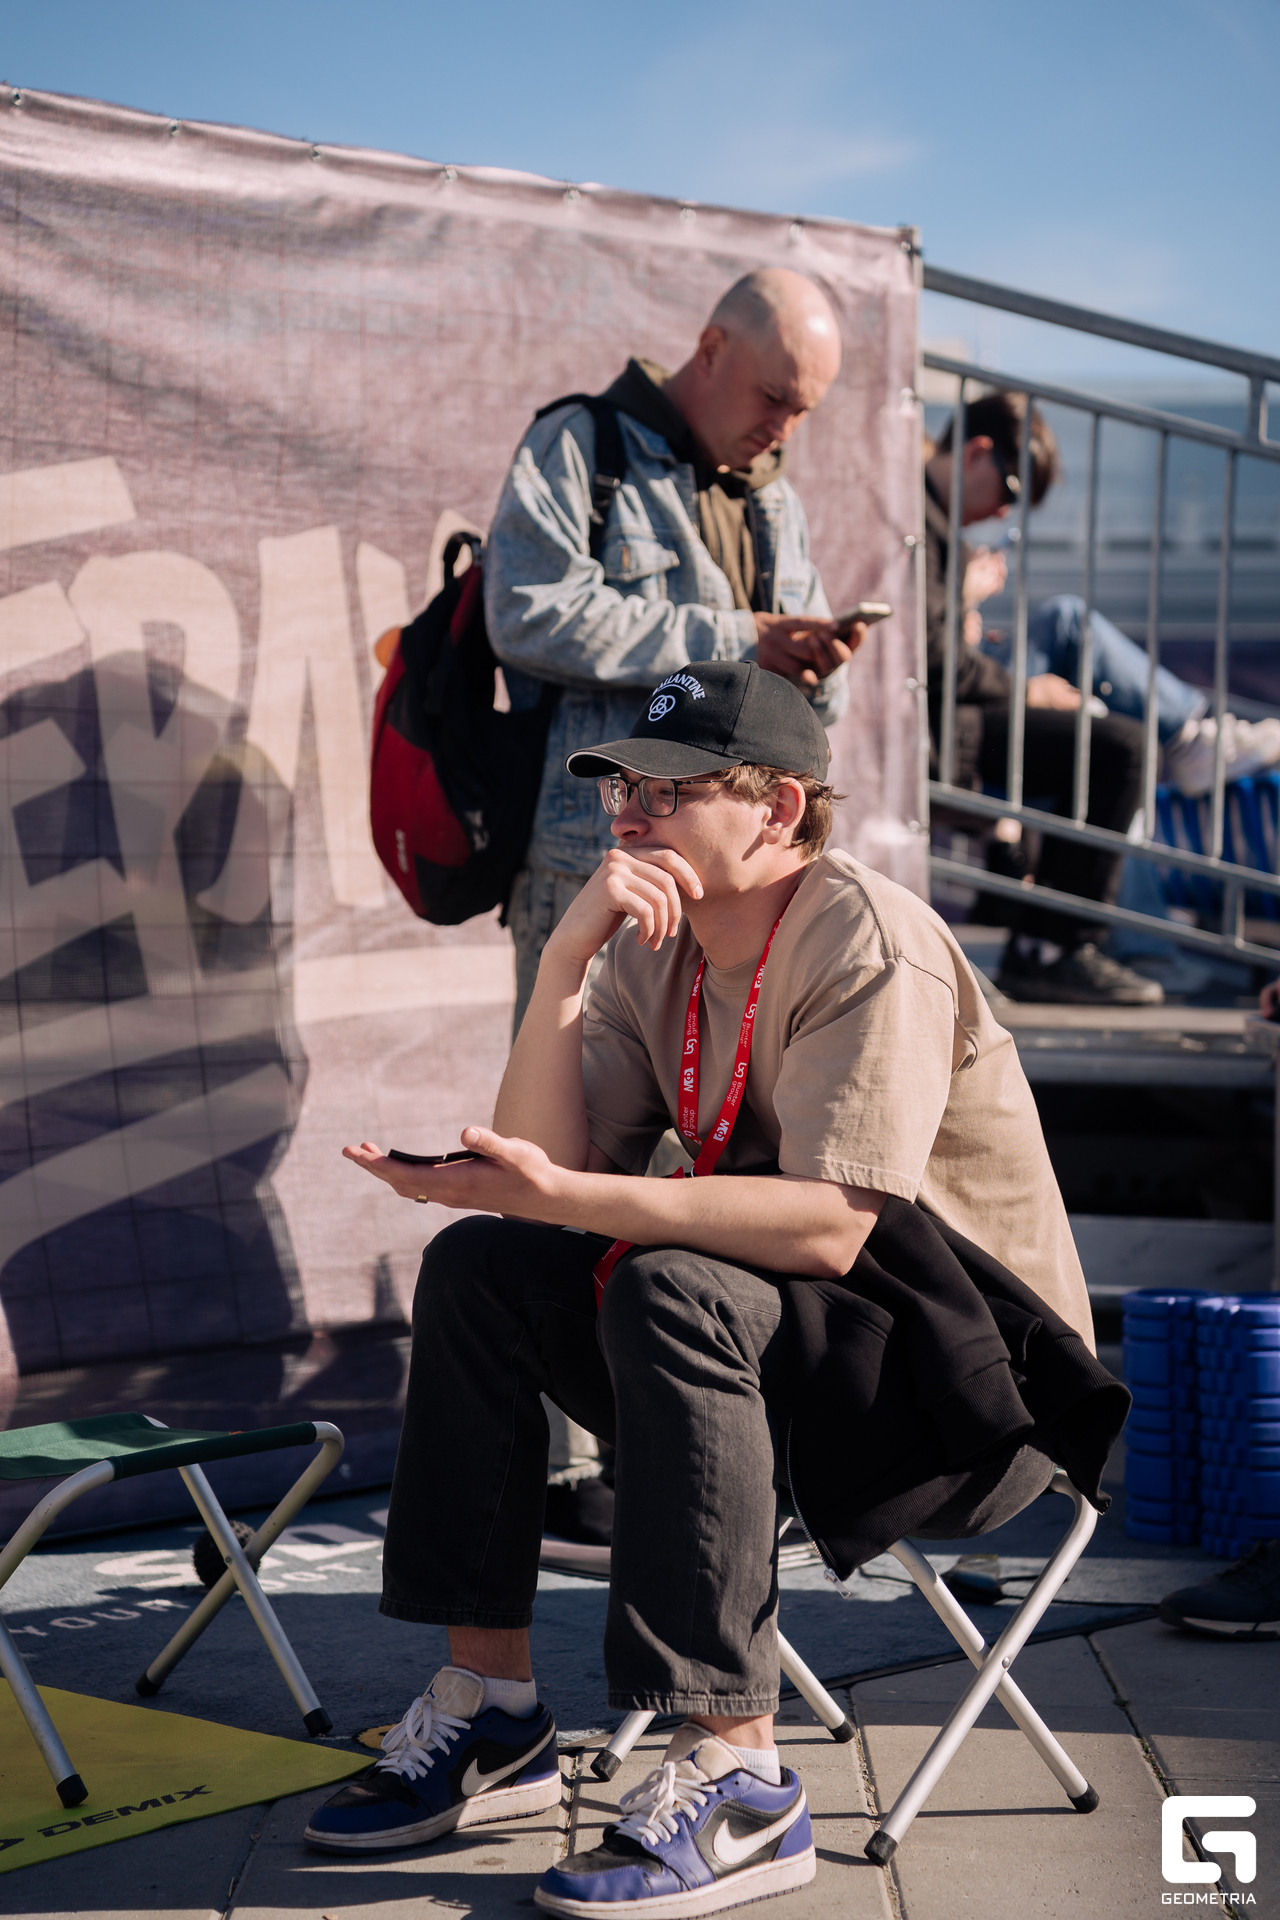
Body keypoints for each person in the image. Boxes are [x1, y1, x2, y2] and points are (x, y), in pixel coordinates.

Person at [304, 661, 1124, 1913]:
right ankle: (494, 1712)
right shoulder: (654, 945)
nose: (629, 817)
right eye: (621, 787)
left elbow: (832, 1229)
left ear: (778, 808)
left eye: (669, 791)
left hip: (965, 1389)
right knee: (480, 1266)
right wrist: (563, 963)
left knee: (669, 1287)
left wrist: (568, 1198)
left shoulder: (867, 937)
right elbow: (548, 1175)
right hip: (773, 1351)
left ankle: (739, 1773)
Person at [484, 268, 857, 1034]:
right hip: (604, 870)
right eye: (774, 397)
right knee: (571, 1096)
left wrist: (818, 669)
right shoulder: (582, 443)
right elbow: (525, 611)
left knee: (725, 1105)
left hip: (748, 891)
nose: (785, 428)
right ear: (711, 349)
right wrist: (741, 639)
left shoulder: (775, 496)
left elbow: (809, 711)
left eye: (803, 411)